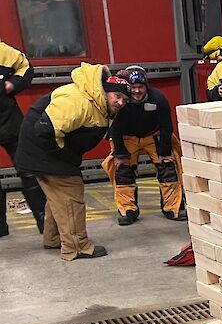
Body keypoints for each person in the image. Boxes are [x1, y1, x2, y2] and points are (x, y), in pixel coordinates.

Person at [15, 62, 130, 260]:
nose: (120, 102)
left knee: (58, 196)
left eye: (125, 99)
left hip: (44, 150)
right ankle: (76, 246)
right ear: (106, 92)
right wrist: (63, 155)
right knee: (71, 193)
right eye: (117, 96)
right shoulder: (80, 100)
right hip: (43, 150)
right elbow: (45, 129)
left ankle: (54, 237)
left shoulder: (98, 102)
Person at [101, 66, 186, 225]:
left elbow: (166, 125)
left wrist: (165, 150)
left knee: (168, 168)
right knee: (123, 172)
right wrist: (120, 154)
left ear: (146, 86)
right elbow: (115, 127)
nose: (137, 91)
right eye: (133, 88)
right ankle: (127, 210)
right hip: (127, 137)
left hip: (153, 135)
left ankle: (172, 208)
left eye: (141, 87)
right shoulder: (121, 100)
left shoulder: (158, 98)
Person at [0, 39, 46, 237]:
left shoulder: (1, 51)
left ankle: (47, 224)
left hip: (8, 120)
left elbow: (25, 66)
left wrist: (11, 85)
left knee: (29, 170)